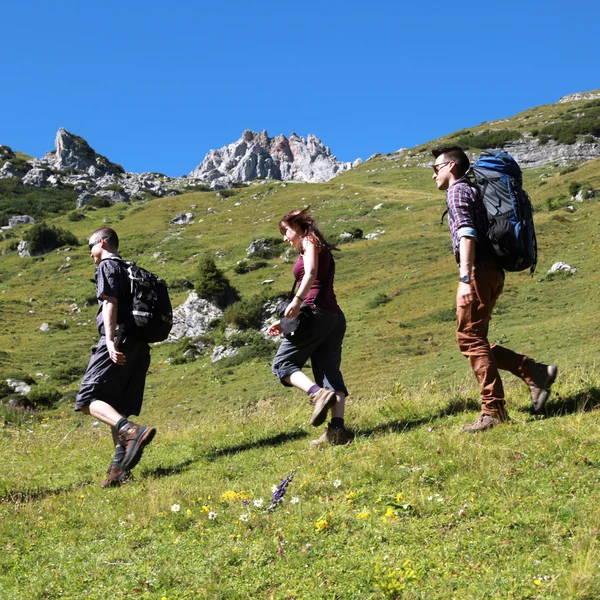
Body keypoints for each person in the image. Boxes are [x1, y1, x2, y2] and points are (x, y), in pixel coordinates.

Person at [431, 146, 558, 432]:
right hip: (491, 272)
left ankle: (493, 411)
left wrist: (465, 278)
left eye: (436, 168)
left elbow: (466, 232)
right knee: (475, 340)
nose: (434, 175)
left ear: (451, 166)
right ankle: (535, 373)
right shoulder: (472, 190)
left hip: (477, 271)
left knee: (470, 340)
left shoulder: (458, 191)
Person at [75, 227, 156, 486]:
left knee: (87, 399)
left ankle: (132, 431)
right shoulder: (132, 270)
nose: (90, 254)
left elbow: (109, 302)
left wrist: (109, 341)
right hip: (140, 344)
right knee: (115, 404)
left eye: (91, 246)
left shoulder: (108, 266)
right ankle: (120, 470)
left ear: (102, 242)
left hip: (119, 338)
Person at [268, 208, 352, 447]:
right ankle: (337, 431)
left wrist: (295, 301)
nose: (285, 238)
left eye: (286, 231)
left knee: (282, 364)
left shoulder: (309, 241)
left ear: (298, 226)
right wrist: (284, 323)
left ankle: (316, 394)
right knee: (329, 372)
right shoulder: (320, 243)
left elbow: (312, 273)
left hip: (315, 313)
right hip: (333, 317)